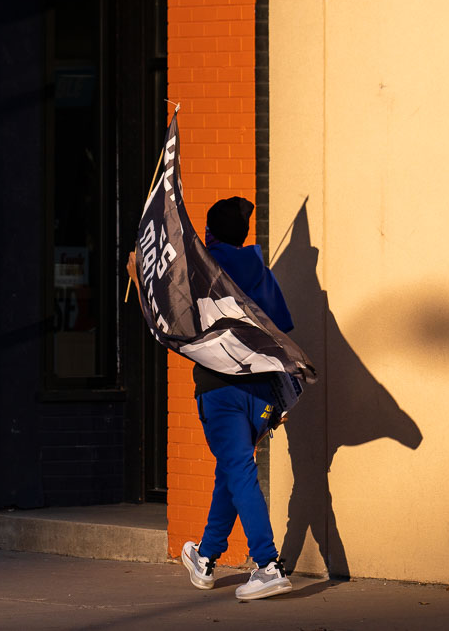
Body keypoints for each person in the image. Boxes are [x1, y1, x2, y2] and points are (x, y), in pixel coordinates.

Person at [130, 196, 295, 601]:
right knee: (232, 469)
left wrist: (138, 275)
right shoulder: (259, 271)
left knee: (237, 468)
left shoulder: (202, 271)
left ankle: (267, 565)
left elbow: (167, 323)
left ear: (208, 233)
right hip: (262, 395)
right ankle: (205, 557)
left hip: (220, 392)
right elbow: (282, 329)